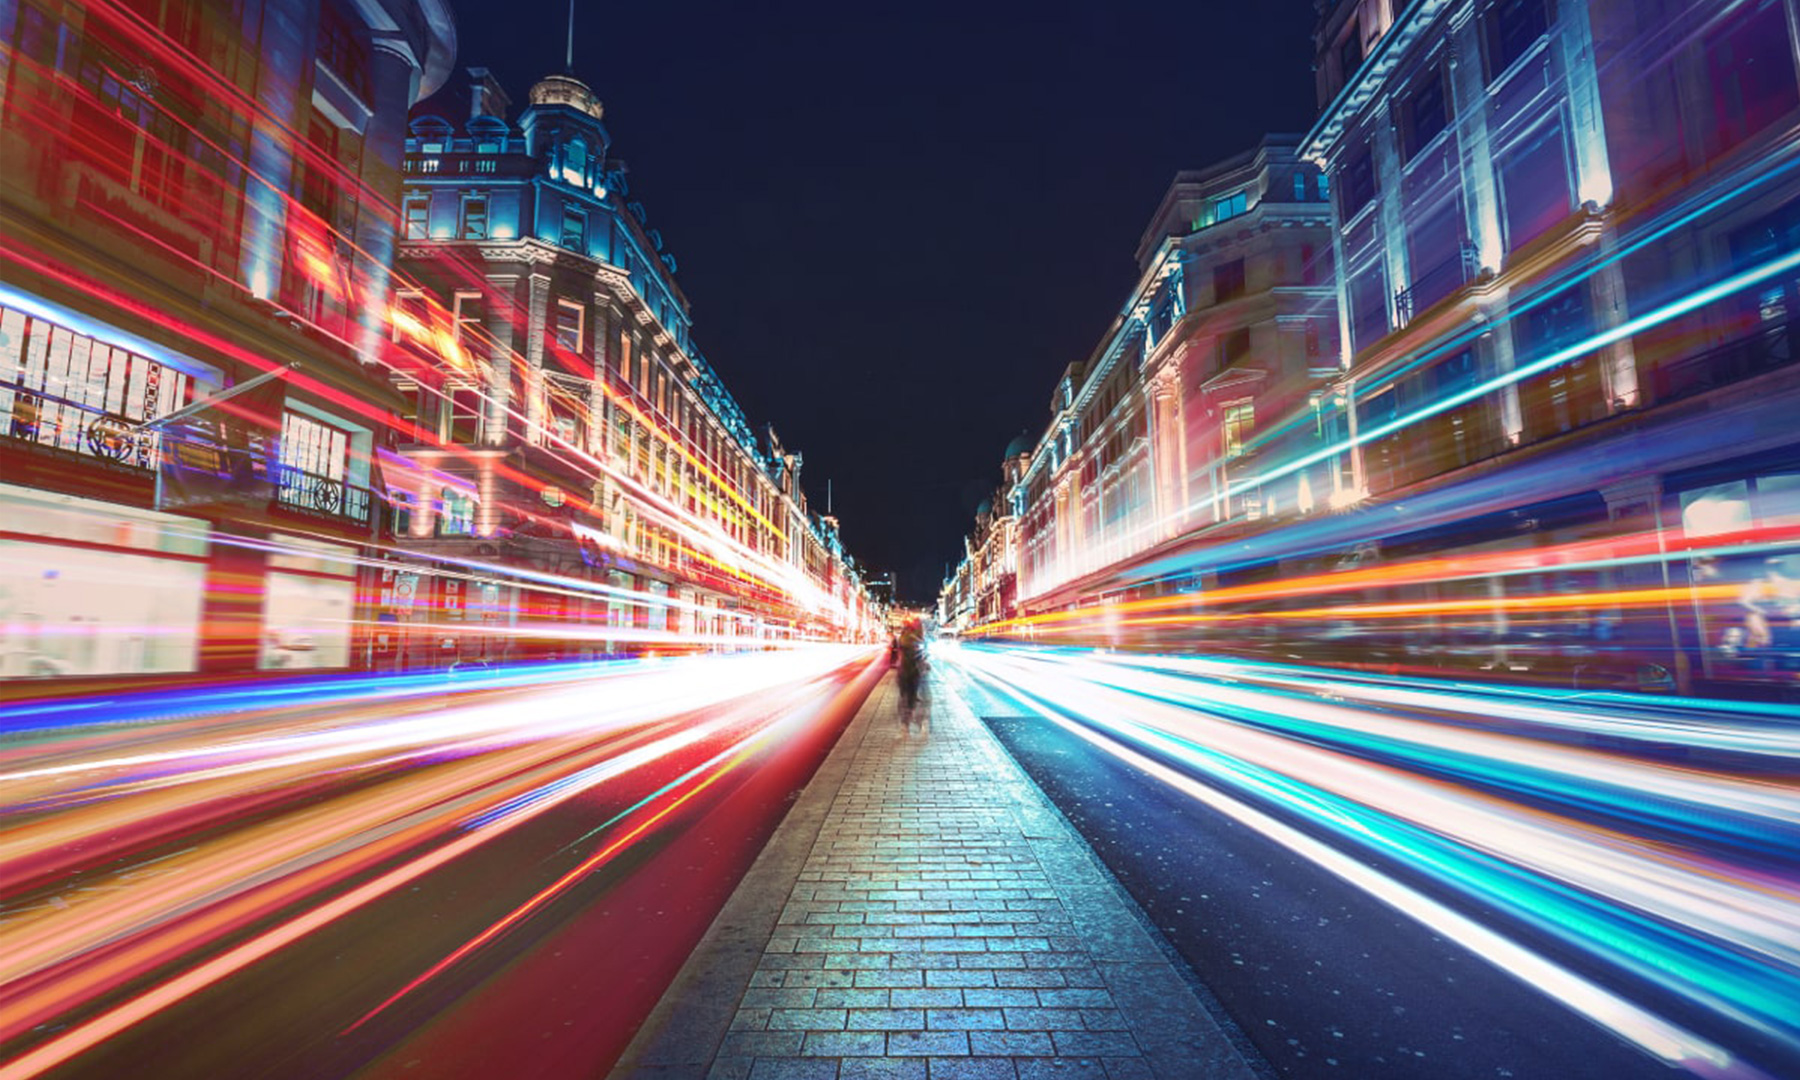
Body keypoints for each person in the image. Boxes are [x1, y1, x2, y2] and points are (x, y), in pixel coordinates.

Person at [896, 621, 925, 729]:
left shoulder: (903, 638)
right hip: (911, 671)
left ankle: (905, 719)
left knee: (905, 695)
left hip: (905, 671)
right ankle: (907, 718)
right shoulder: (913, 639)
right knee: (910, 695)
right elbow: (918, 654)